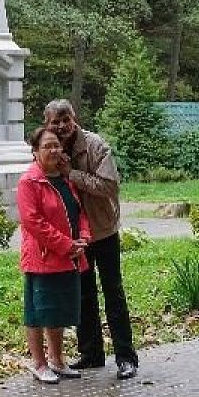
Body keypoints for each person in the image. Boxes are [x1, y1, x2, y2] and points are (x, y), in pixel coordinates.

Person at [43, 99, 139, 380]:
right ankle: (92, 353)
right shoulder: (49, 147)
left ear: (75, 118)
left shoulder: (96, 146)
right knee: (83, 295)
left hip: (103, 230)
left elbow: (109, 186)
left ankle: (125, 357)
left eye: (65, 120)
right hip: (73, 237)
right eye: (54, 122)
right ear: (47, 123)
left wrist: (71, 174)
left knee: (113, 293)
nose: (61, 127)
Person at [17, 125, 92, 383]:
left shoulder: (65, 179)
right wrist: (65, 244)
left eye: (56, 145)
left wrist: (83, 237)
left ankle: (57, 360)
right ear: (35, 151)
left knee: (58, 310)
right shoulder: (29, 181)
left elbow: (78, 212)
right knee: (39, 311)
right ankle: (38, 363)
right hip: (43, 257)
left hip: (68, 257)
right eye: (47, 146)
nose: (53, 150)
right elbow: (33, 222)